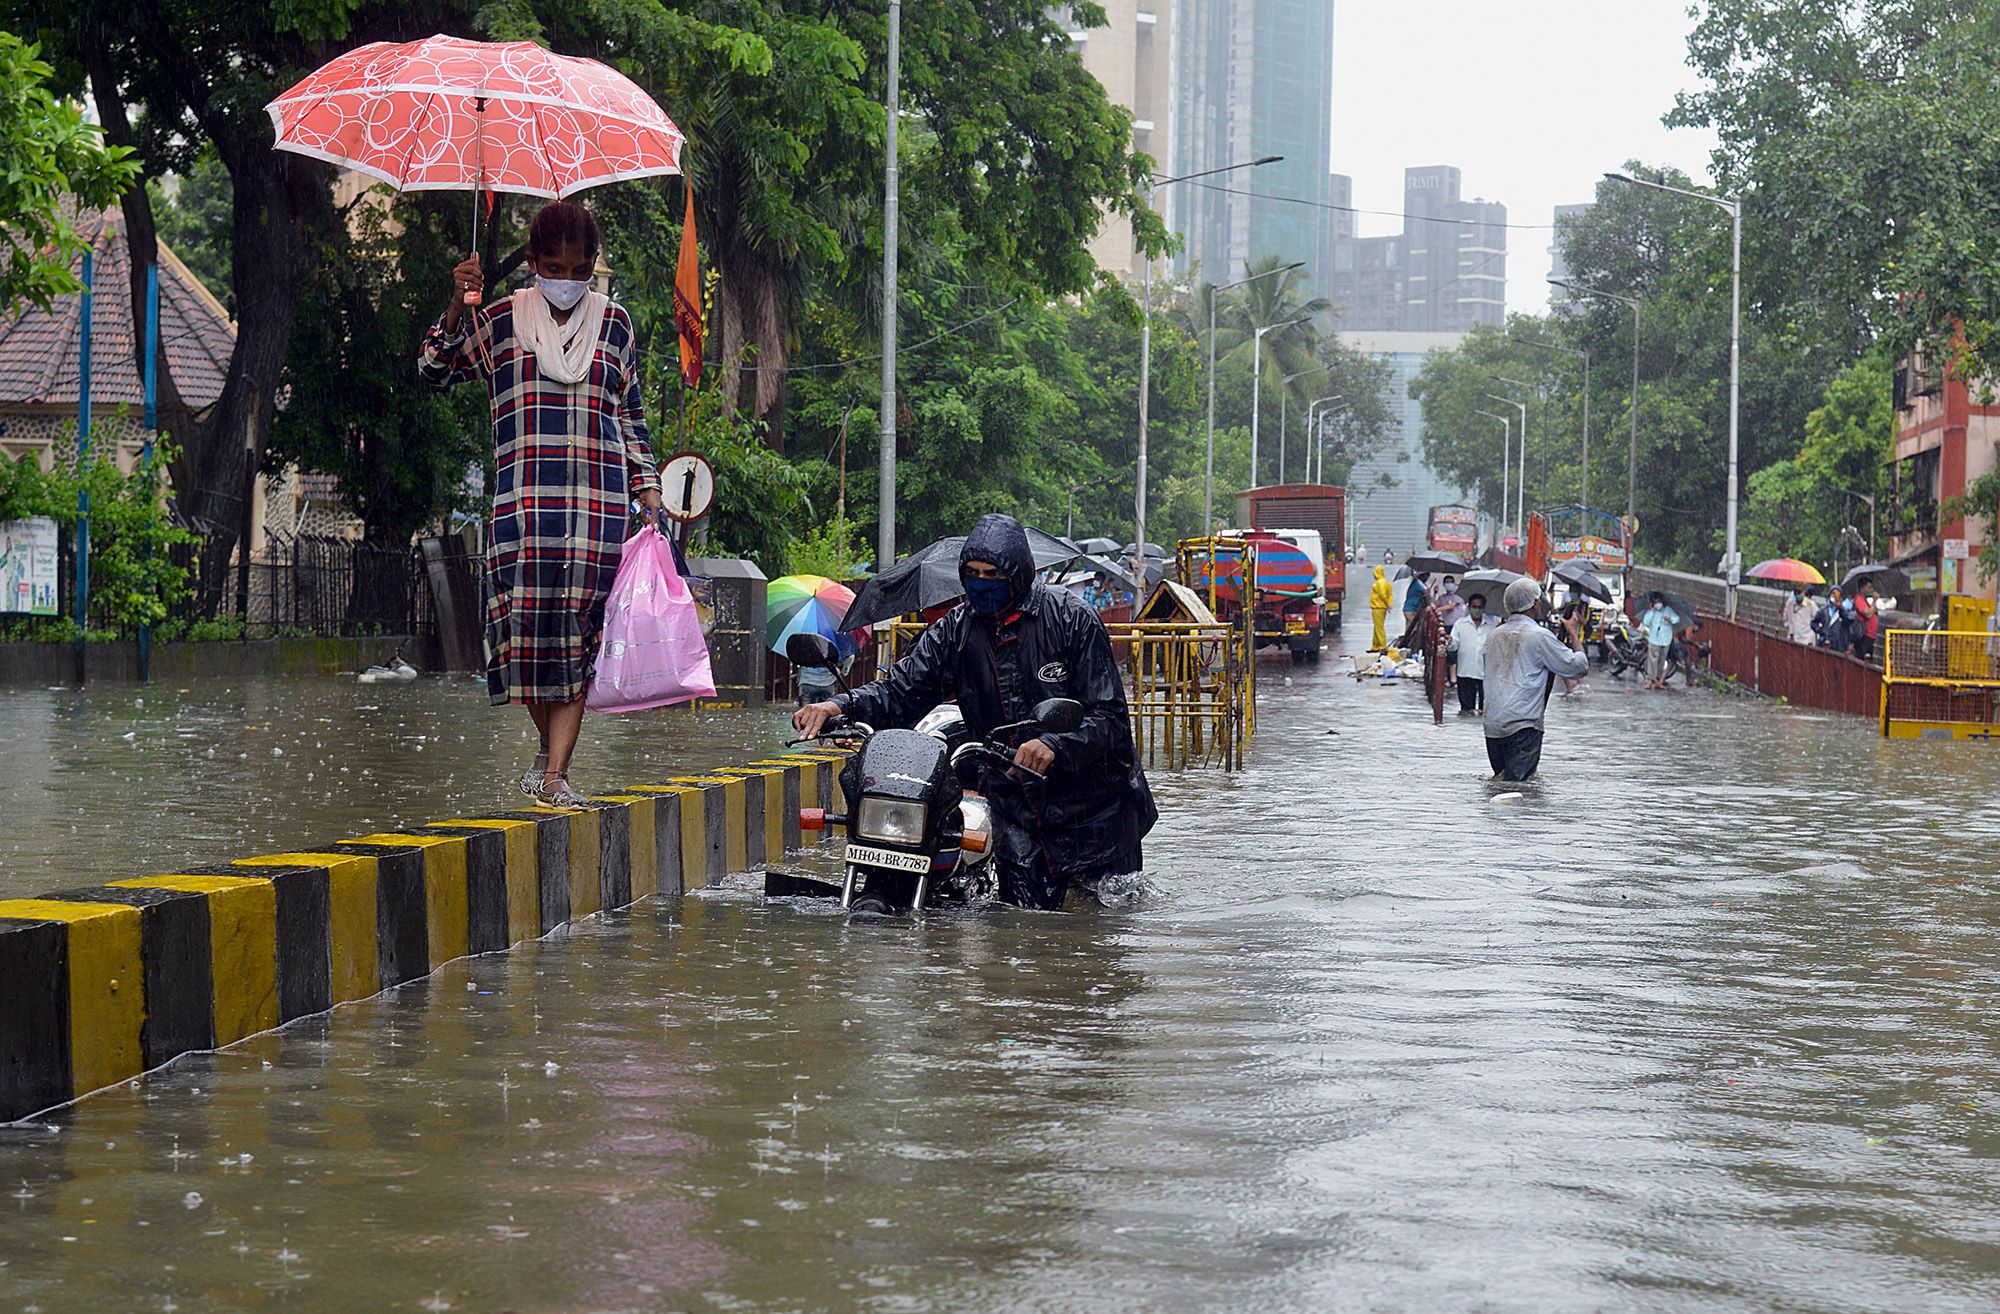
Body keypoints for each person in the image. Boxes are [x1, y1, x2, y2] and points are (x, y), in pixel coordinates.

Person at [419, 202, 663, 806]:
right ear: (532, 263)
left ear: (593, 268)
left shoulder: (617, 326)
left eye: (580, 270)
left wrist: (648, 485)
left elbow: (629, 415)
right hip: (522, 512)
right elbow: (433, 371)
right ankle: (548, 756)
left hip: (597, 508)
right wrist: (458, 302)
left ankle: (554, 775)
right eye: (554, 266)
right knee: (524, 640)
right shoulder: (497, 320)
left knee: (579, 642)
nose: (567, 279)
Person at [793, 513, 1156, 911]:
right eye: (972, 573)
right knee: (1019, 928)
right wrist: (838, 704)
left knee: (1102, 936)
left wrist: (1055, 744)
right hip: (1015, 806)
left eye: (993, 574)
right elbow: (900, 691)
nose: (982, 583)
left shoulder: (1072, 620)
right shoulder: (955, 630)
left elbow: (1109, 717)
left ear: (1017, 574)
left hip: (1094, 809)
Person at [1481, 577, 1589, 781]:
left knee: (1502, 782)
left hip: (1493, 725)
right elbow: (1578, 667)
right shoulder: (1539, 636)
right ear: (1534, 604)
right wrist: (1573, 634)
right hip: (1523, 725)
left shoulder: (1493, 636)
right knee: (1518, 789)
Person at [1447, 592, 1496, 713]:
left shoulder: (1492, 625)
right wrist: (1448, 641)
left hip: (1485, 673)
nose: (1477, 610)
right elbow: (1453, 647)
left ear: (1484, 608)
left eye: (1480, 607)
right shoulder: (1460, 624)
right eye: (1474, 607)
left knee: (1485, 710)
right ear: (1469, 607)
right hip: (1465, 671)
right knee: (1466, 709)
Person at [1635, 592, 1681, 690]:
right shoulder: (1651, 612)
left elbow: (1676, 619)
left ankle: (1658, 680)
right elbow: (1646, 622)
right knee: (1652, 660)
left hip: (1665, 639)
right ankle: (1650, 680)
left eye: (1659, 602)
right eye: (1655, 602)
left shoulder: (1668, 610)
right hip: (1654, 638)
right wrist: (1651, 611)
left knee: (1661, 660)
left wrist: (1670, 619)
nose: (1657, 604)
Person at [1813, 587, 1849, 652]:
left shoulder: (1845, 611)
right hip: (1824, 644)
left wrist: (1840, 607)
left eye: (1838, 595)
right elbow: (1813, 623)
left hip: (1838, 647)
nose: (1835, 597)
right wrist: (1820, 630)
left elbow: (1848, 619)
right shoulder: (1823, 610)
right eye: (1833, 594)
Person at [1368, 565, 1394, 651]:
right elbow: (1389, 595)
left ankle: (1382, 645)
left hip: (1378, 607)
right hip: (1381, 607)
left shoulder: (1380, 582)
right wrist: (1389, 604)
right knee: (1377, 627)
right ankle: (1375, 645)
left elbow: (1383, 595)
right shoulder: (1386, 582)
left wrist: (1387, 604)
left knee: (1379, 627)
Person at [1852, 584, 1880, 662]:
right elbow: (1868, 614)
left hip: (1871, 636)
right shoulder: (1859, 599)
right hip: (1865, 636)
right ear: (1862, 588)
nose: (1871, 590)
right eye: (1868, 587)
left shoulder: (1866, 600)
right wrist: (1874, 601)